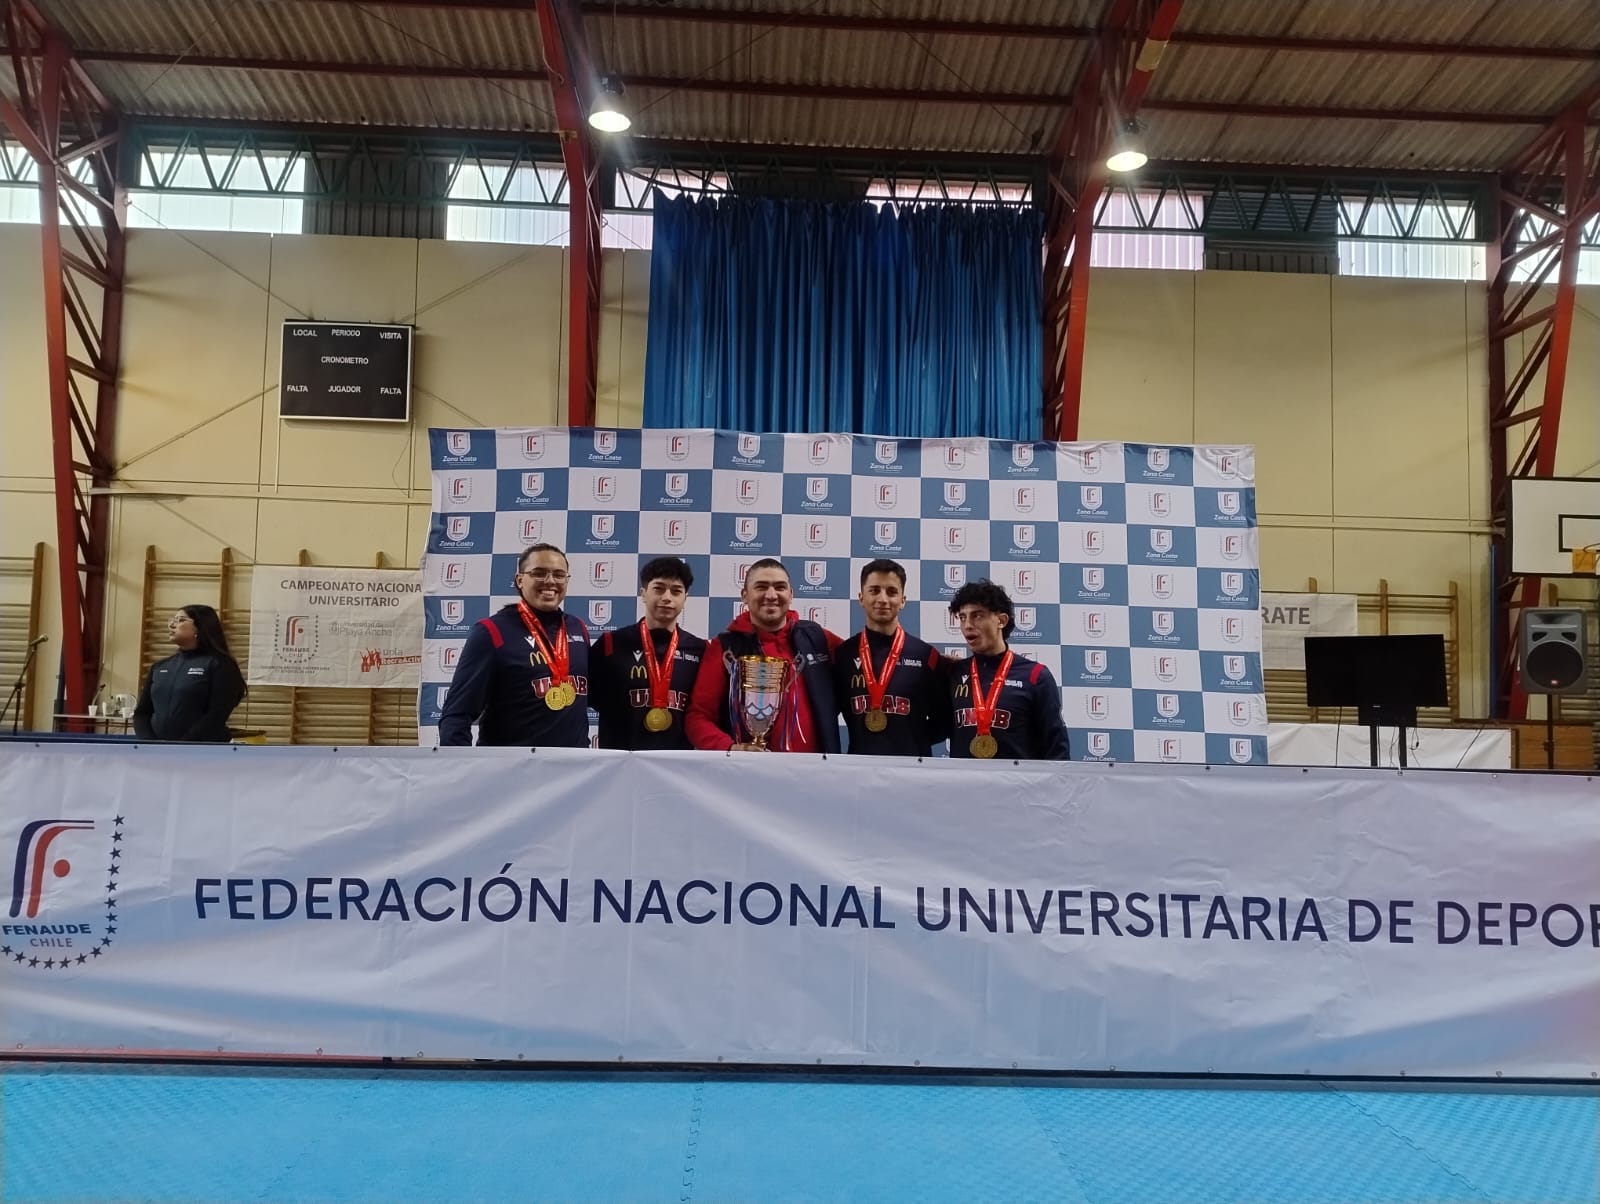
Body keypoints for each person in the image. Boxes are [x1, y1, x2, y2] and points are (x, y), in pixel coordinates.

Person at [438, 543, 590, 747]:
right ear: (520, 580)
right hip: (512, 764)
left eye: (559, 574)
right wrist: (462, 764)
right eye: (539, 573)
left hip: (574, 762)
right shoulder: (491, 631)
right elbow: (457, 714)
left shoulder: (578, 628)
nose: (550, 581)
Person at [686, 558, 842, 752]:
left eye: (780, 587)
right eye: (761, 587)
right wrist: (732, 749)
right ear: (745, 595)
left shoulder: (818, 638)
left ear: (791, 594)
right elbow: (698, 717)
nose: (771, 595)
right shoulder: (725, 648)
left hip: (817, 766)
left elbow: (860, 663)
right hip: (750, 768)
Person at [588, 556, 707, 750]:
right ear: (643, 593)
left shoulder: (700, 650)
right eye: (659, 589)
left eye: (676, 591)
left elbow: (705, 712)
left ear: (685, 597)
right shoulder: (610, 644)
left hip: (679, 762)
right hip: (621, 761)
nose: (667, 597)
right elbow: (587, 699)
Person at [944, 579, 1069, 761]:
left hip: (1018, 779)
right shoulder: (953, 673)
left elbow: (1057, 749)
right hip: (965, 779)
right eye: (962, 617)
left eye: (977, 616)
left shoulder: (1035, 676)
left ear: (1001, 620)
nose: (967, 625)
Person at [834, 558, 949, 757]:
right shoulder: (843, 655)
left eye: (891, 592)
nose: (883, 599)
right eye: (874, 590)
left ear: (903, 600)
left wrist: (911, 740)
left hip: (913, 768)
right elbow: (826, 713)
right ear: (861, 598)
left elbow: (944, 720)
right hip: (858, 768)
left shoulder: (926, 656)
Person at [133, 603, 246, 742]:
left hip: (202, 749)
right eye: (172, 620)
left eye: (180, 620)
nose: (172, 625)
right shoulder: (159, 667)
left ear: (200, 627)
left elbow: (217, 714)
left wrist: (184, 745)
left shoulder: (220, 665)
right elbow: (142, 713)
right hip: (157, 750)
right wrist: (149, 743)